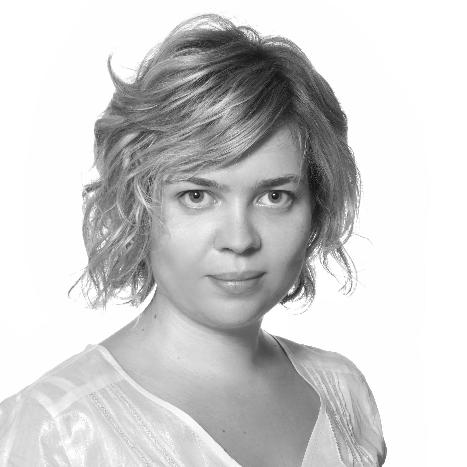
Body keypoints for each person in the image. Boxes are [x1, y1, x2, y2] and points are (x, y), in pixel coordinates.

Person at [0, 14, 386, 466]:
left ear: (316, 207)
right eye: (197, 196)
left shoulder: (341, 392)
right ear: (137, 203)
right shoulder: (56, 430)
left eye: (274, 196)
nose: (239, 239)